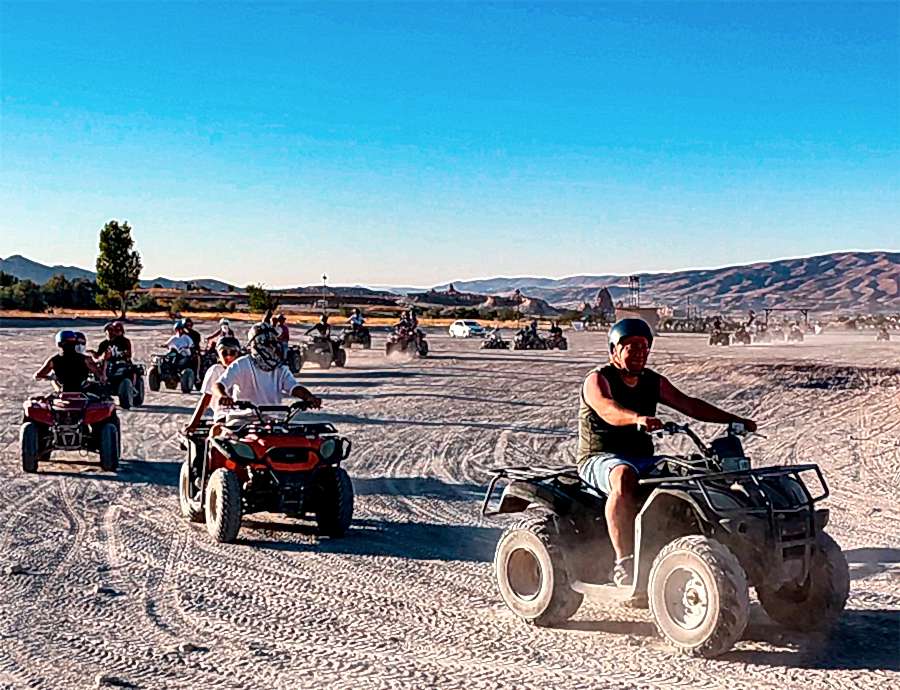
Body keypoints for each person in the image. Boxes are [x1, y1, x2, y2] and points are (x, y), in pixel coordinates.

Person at [577, 318, 757, 586]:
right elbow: (607, 409)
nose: (639, 353)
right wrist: (637, 418)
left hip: (644, 459)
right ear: (614, 350)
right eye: (631, 347)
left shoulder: (652, 381)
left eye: (644, 347)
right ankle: (624, 562)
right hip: (600, 457)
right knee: (624, 477)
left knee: (695, 472)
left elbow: (690, 405)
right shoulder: (598, 379)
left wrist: (734, 419)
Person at [214, 321, 321, 410]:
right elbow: (219, 384)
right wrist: (223, 396)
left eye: (273, 341)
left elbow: (294, 387)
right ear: (255, 344)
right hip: (242, 419)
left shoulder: (280, 368)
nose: (272, 346)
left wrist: (309, 397)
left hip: (272, 419)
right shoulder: (241, 364)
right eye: (266, 342)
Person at [184, 336, 242, 433]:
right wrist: (193, 423)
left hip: (245, 415)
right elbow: (206, 398)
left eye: (232, 352)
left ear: (238, 354)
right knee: (219, 432)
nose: (228, 357)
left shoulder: (243, 369)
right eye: (224, 353)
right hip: (224, 415)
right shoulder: (216, 370)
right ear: (218, 355)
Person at [34, 330, 105, 392]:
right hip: (82, 389)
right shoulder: (86, 359)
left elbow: (37, 376)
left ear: (58, 344)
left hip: (63, 390)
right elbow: (100, 375)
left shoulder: (53, 360)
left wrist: (52, 377)